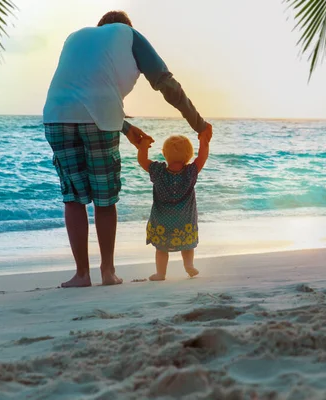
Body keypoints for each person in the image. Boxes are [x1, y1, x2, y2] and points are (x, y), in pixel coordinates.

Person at [43, 10, 212, 288]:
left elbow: (83, 90)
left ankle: (81, 275)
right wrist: (198, 123)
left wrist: (125, 127)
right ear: (124, 28)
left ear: (101, 28)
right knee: (104, 197)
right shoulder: (128, 34)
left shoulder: (75, 38)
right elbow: (165, 83)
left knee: (73, 197)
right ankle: (107, 272)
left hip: (56, 115)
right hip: (100, 121)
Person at [136, 128, 212, 281]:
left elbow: (142, 161)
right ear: (188, 155)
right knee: (188, 245)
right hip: (185, 221)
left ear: (165, 153)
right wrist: (204, 141)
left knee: (161, 249)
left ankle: (161, 273)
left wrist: (143, 145)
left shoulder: (158, 171)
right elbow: (202, 157)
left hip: (162, 221)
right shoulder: (190, 172)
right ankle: (189, 266)